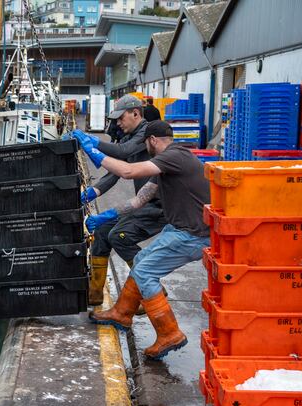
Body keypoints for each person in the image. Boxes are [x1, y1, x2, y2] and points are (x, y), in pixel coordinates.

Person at [80, 120, 211, 360]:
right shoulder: (167, 165)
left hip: (193, 235)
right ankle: (122, 312)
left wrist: (94, 152)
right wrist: (106, 216)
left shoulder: (175, 156)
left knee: (145, 272)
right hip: (179, 229)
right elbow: (138, 201)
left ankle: (169, 333)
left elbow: (127, 172)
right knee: (140, 259)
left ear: (152, 140)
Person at [72, 94, 167, 308]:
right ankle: (94, 294)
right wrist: (89, 193)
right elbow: (113, 175)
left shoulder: (146, 132)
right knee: (103, 233)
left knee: (120, 236)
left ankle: (151, 290)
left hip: (159, 206)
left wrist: (93, 141)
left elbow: (122, 153)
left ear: (136, 113)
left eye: (120, 118)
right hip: (145, 203)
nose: (117, 123)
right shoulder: (129, 137)